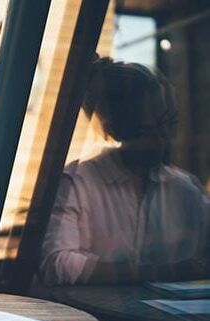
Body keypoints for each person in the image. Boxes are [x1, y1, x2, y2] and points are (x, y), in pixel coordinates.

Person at [39, 57, 210, 285]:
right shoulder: (78, 183)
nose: (163, 141)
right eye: (147, 131)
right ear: (116, 130)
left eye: (167, 125)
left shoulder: (184, 189)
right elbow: (57, 263)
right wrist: (159, 272)